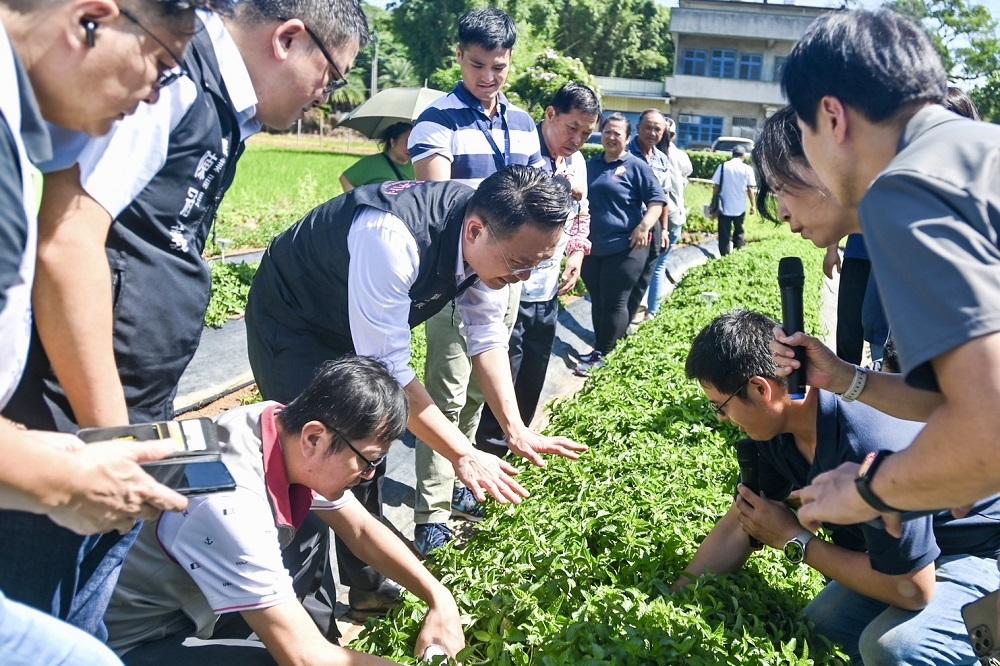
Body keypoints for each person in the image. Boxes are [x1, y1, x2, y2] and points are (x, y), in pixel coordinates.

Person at [1, 0, 370, 640]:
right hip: (68, 422)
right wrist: (110, 438)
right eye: (332, 77)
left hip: (119, 417)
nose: (324, 95)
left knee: (82, 622)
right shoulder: (170, 76)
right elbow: (68, 244)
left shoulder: (217, 107)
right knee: (42, 623)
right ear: (289, 38)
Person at [0, 0, 233, 660]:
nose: (153, 97)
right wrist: (68, 474)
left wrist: (76, 460)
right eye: (159, 65)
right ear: (91, 20)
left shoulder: (27, 140)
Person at [244, 169, 587, 546]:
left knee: (367, 446)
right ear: (475, 231)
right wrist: (462, 453)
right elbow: (389, 372)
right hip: (298, 319)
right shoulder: (392, 237)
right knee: (312, 457)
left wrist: (514, 428)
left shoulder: (488, 235)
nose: (524, 276)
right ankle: (297, 581)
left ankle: (368, 586)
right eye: (520, 262)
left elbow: (487, 337)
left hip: (360, 320)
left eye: (536, 264)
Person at [775, 8, 1000, 531]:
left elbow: (986, 429)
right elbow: (960, 397)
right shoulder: (977, 150)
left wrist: (864, 491)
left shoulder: (907, 187)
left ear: (832, 118)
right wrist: (848, 379)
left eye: (804, 132)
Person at [678, 309, 1000, 665]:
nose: (722, 419)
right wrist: (675, 597)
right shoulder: (775, 431)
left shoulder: (867, 442)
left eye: (720, 407)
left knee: (894, 648)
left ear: (760, 388)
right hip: (906, 559)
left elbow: (913, 589)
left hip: (976, 553)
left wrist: (795, 540)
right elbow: (744, 519)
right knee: (818, 630)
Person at [105, 356, 465, 665]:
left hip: (188, 604)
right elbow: (305, 657)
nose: (368, 475)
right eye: (368, 461)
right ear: (314, 437)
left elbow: (361, 530)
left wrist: (439, 597)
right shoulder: (230, 505)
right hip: (127, 642)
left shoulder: (274, 423)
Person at [406, 8, 547, 555]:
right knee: (442, 390)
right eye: (478, 65)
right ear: (459, 57)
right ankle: (430, 512)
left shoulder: (521, 123)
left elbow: (535, 192)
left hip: (504, 276)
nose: (489, 76)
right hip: (454, 275)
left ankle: (460, 482)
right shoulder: (437, 122)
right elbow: (438, 206)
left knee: (474, 388)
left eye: (499, 66)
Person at [474, 83, 599, 457]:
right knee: (502, 373)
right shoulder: (522, 153)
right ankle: (489, 451)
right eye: (571, 128)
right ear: (550, 115)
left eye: (585, 133)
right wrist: (558, 185)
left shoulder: (577, 162)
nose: (576, 139)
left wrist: (575, 254)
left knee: (533, 371)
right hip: (509, 284)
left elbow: (581, 215)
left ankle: (520, 442)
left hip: (546, 289)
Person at [574, 113, 666, 376]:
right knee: (598, 301)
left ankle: (606, 354)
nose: (611, 137)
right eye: (607, 132)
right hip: (593, 248)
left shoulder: (636, 166)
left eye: (617, 133)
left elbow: (657, 201)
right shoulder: (590, 165)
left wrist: (644, 226)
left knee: (615, 302)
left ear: (627, 139)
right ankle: (601, 349)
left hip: (626, 247)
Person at [624, 109, 672, 324]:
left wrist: (665, 229)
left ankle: (630, 319)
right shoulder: (625, 153)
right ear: (638, 128)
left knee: (645, 276)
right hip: (629, 223)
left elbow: (665, 197)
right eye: (648, 127)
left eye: (658, 129)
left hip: (654, 226)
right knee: (626, 277)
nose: (652, 132)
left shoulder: (662, 159)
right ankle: (618, 325)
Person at [646, 116, 691, 320]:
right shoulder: (678, 156)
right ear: (672, 136)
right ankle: (652, 310)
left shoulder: (650, 155)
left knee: (646, 264)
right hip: (672, 216)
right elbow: (686, 177)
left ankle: (643, 304)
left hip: (650, 216)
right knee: (659, 265)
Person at [339, 121, 414, 192]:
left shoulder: (418, 165)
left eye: (414, 142)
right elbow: (346, 179)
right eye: (408, 142)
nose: (412, 147)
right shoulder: (372, 163)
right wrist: (356, 202)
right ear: (393, 142)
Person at [710, 144, 756, 256]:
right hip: (740, 207)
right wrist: (753, 205)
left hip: (724, 207)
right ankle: (737, 253)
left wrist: (712, 201)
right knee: (739, 232)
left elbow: (716, 186)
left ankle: (724, 256)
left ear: (732, 155)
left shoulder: (723, 167)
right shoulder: (747, 169)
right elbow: (750, 189)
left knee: (724, 233)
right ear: (743, 156)